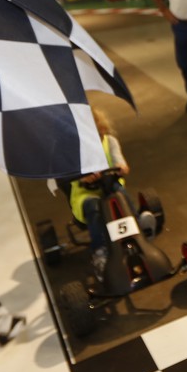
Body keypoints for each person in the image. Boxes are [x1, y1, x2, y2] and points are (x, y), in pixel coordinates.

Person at [65, 107, 131, 282]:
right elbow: (70, 174)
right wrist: (84, 178)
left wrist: (121, 167)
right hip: (85, 193)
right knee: (94, 205)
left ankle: (136, 226)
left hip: (110, 186)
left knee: (120, 194)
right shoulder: (74, 149)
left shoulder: (110, 142)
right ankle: (100, 250)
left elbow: (120, 161)